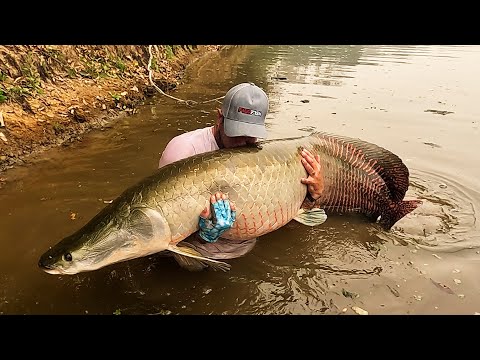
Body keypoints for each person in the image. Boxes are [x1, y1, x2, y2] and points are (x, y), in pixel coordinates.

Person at [158, 82, 324, 263]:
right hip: (195, 257)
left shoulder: (259, 155)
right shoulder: (183, 151)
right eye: (236, 133)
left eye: (250, 134)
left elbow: (296, 208)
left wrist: (314, 194)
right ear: (220, 119)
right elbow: (162, 230)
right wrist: (203, 236)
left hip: (244, 250)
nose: (243, 142)